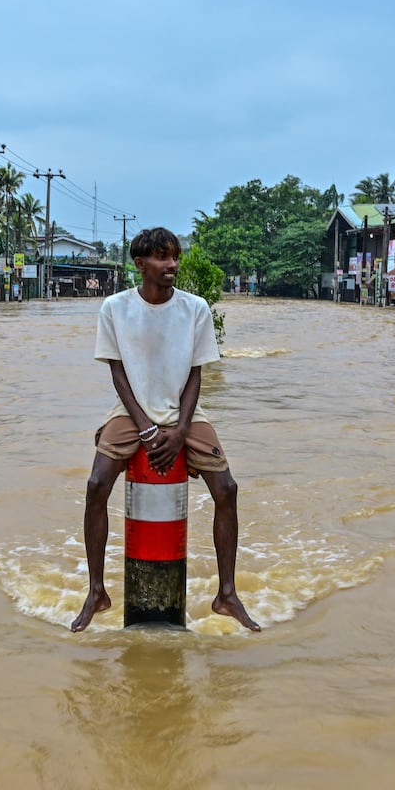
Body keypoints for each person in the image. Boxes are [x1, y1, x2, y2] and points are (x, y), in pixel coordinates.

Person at [71, 226, 260, 633]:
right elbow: (118, 375)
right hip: (130, 410)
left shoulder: (195, 309)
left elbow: (196, 377)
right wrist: (144, 429)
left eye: (174, 256)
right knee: (96, 484)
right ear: (140, 265)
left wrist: (180, 431)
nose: (171, 264)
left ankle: (227, 594)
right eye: (161, 257)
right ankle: (96, 592)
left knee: (227, 488)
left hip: (185, 412)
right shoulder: (114, 308)